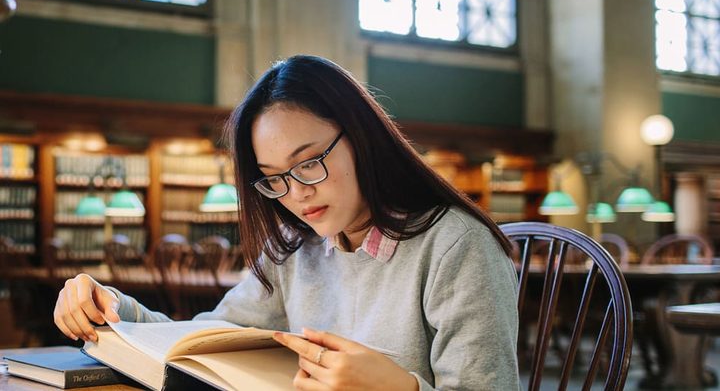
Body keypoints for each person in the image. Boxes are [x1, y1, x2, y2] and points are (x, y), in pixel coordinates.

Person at [54, 55, 520, 390]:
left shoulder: (458, 247)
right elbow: (202, 341)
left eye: (309, 161)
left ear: (362, 137)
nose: (296, 193)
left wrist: (402, 389)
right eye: (274, 178)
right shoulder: (297, 248)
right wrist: (111, 309)